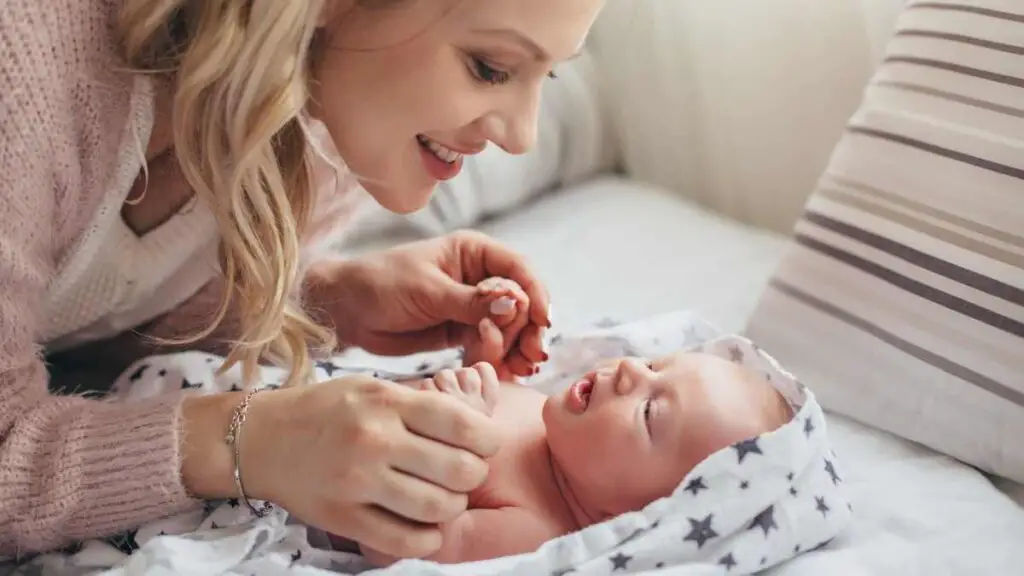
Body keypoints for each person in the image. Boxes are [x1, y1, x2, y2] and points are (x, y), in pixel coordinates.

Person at [0, 0, 605, 559]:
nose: (522, 137)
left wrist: (330, 302)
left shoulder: (323, 124)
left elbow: (86, 322)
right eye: (491, 67)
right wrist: (250, 440)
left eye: (547, 74)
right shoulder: (25, 58)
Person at [346, 340, 794, 565]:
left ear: (634, 515)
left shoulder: (533, 525)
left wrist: (448, 433)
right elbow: (487, 392)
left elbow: (400, 551)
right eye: (656, 365)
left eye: (650, 410)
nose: (629, 370)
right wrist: (486, 361)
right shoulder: (545, 415)